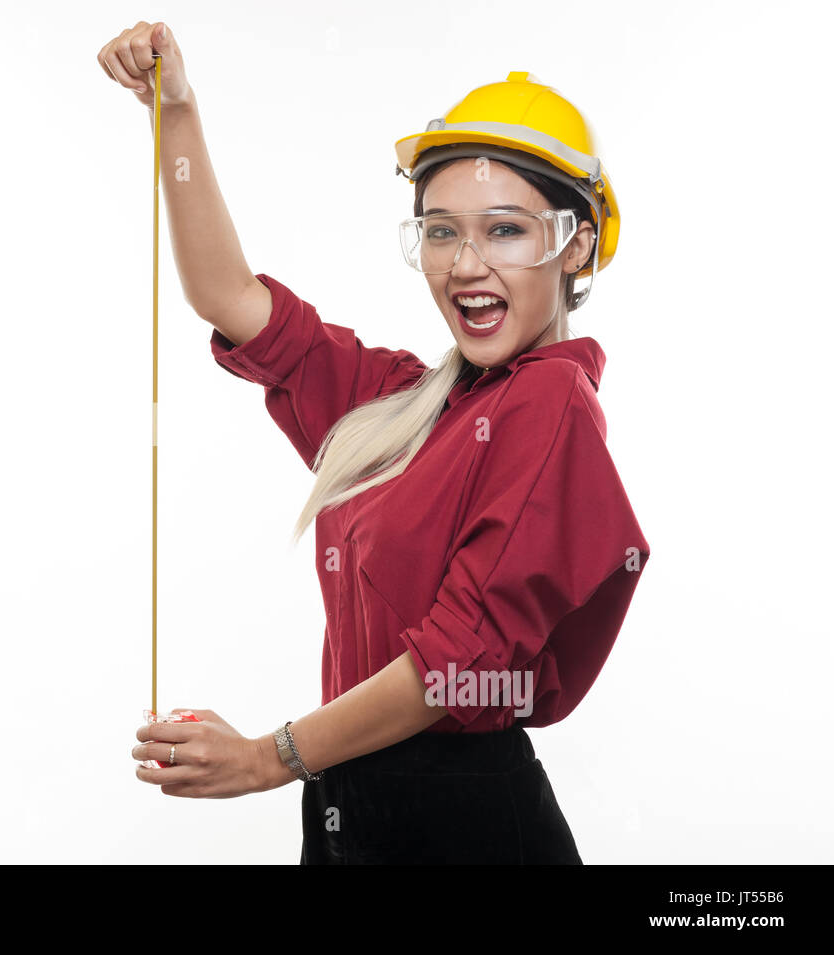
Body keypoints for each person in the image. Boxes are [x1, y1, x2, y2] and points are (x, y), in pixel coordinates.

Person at [99, 22, 651, 864]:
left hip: (461, 823)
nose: (466, 264)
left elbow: (451, 664)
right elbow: (228, 297)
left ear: (575, 243)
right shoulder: (401, 403)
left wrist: (264, 757)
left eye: (505, 230)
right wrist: (174, 114)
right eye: (439, 230)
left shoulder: (550, 404)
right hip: (349, 806)